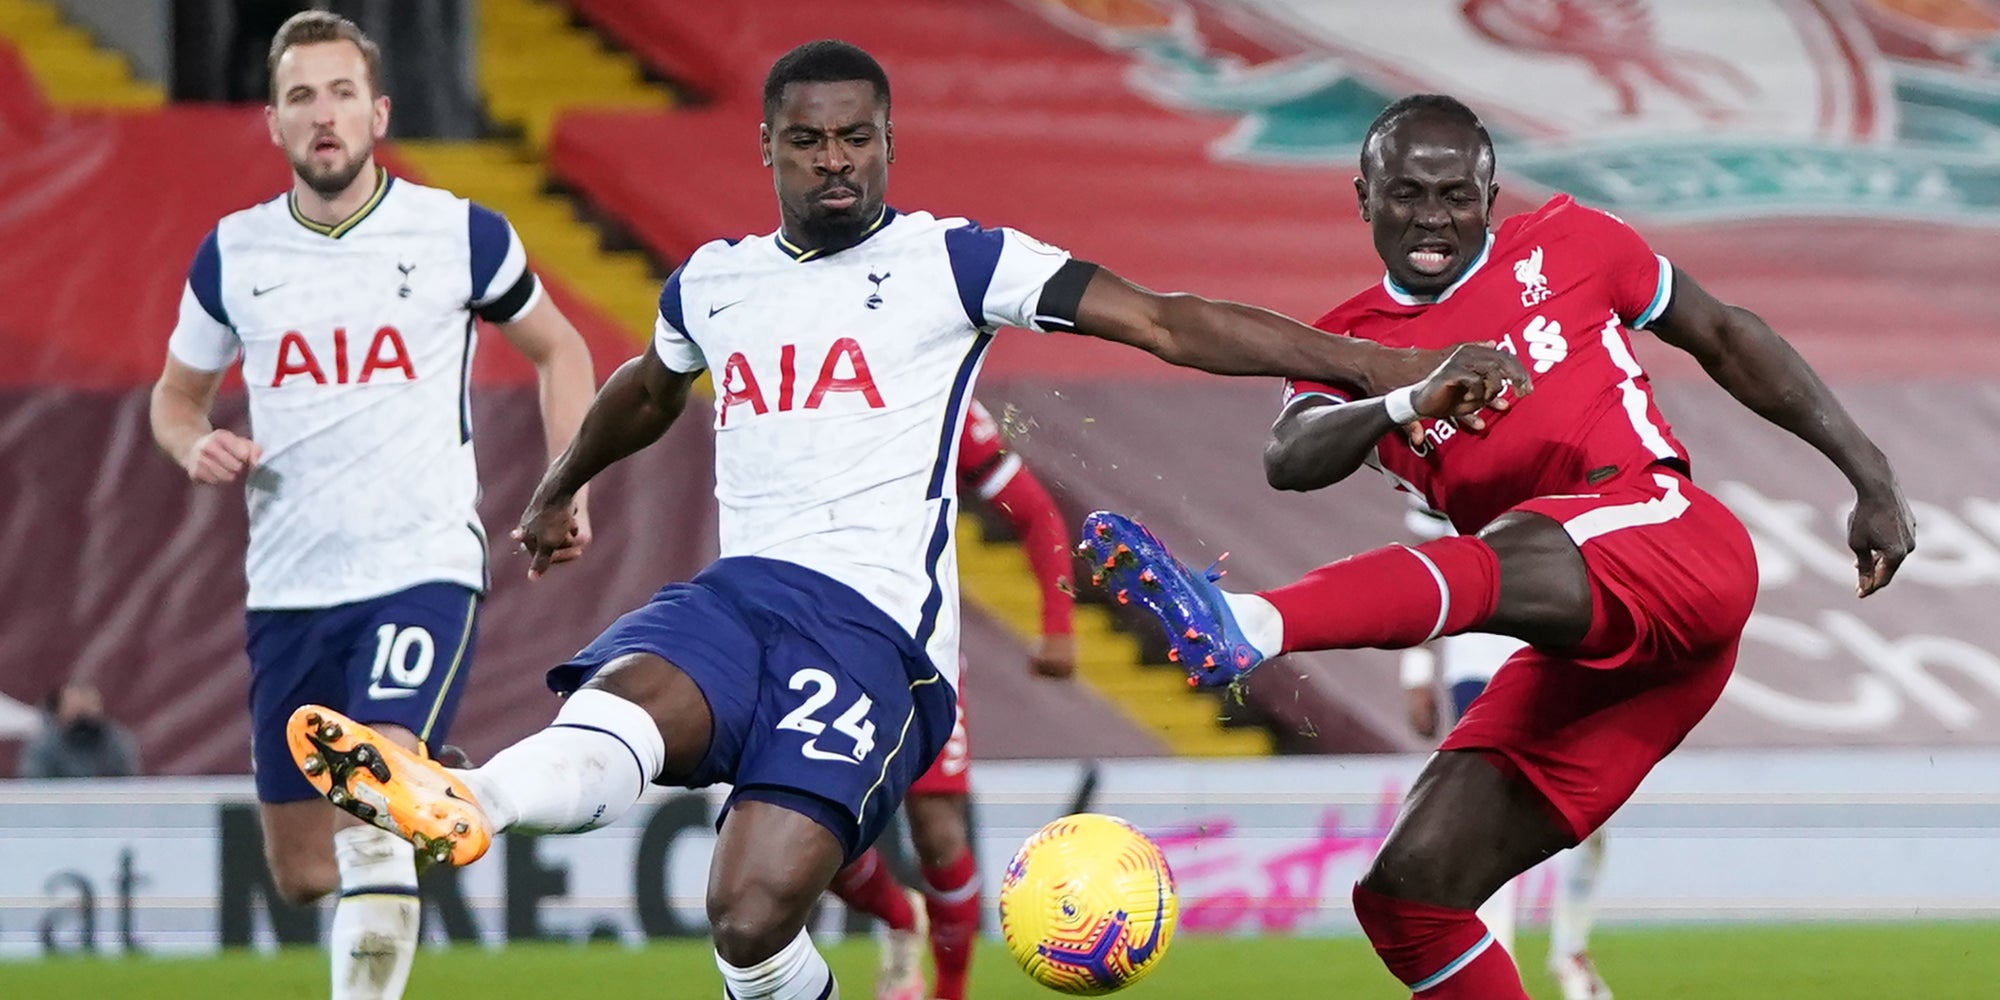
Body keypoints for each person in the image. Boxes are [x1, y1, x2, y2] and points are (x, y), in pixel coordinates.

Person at [281, 43, 1525, 1000]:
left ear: (888, 144)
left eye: (856, 140)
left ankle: (533, 828)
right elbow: (650, 384)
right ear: (768, 149)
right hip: (736, 595)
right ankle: (466, 802)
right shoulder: (712, 279)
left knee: (748, 916)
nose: (834, 161)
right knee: (621, 705)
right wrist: (560, 486)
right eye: (809, 141)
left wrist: (1371, 371)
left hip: (873, 635)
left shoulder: (955, 263)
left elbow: (1162, 317)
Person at [1081, 94, 1913, 999]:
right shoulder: (1352, 346)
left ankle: (1251, 623)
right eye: (1405, 194)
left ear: (1491, 193)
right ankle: (1259, 630)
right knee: (1410, 894)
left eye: (1455, 195)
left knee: (1515, 542)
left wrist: (1868, 472)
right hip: (1595, 654)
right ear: (1362, 197)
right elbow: (1290, 457)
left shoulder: (1575, 242)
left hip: (1675, 541)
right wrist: (1406, 398)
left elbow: (1722, 332)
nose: (1431, 218)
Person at [147, 12, 596, 1000]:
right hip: (289, 585)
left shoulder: (459, 234)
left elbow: (561, 347)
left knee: (374, 808)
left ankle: (413, 789)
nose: (324, 115)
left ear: (378, 111)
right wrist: (193, 440)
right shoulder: (234, 254)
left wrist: (565, 481)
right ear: (271, 121)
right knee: (307, 870)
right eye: (301, 96)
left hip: (420, 564)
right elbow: (174, 398)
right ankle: (453, 789)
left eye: (342, 92)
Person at [831, 398, 1077, 1000]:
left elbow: (1037, 513)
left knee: (939, 832)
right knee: (816, 831)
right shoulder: (797, 387)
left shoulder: (940, 392)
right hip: (821, 644)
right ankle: (896, 914)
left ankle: (950, 992)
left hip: (920, 653)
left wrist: (1059, 622)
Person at [1400, 503, 1612, 1000]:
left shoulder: (1567, 443)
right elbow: (1423, 562)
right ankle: (1501, 973)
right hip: (1478, 661)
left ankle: (1570, 953)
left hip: (1560, 655)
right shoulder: (1440, 442)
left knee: (1593, 821)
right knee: (1490, 824)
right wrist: (1414, 669)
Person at [19, 682, 141, 779]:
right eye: (76, 711)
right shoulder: (42, 746)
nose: (83, 718)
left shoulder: (116, 742)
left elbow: (128, 782)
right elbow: (34, 784)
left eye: (88, 709)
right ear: (60, 712)